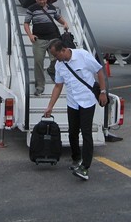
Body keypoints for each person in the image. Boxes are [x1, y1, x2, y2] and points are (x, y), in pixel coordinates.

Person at [44, 40, 107, 181]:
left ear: (63, 50)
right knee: (72, 133)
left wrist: (102, 91)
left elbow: (99, 71)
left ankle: (85, 168)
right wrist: (50, 106)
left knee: (86, 134)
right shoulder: (59, 66)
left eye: (56, 55)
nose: (55, 59)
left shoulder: (82, 56)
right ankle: (76, 158)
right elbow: (58, 86)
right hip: (72, 102)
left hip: (87, 100)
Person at [24, 0, 68, 96]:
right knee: (38, 61)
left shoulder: (52, 8)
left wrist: (65, 23)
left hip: (53, 38)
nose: (43, 1)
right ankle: (39, 86)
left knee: (57, 59)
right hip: (39, 39)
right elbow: (26, 23)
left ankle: (51, 70)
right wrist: (30, 35)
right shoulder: (31, 9)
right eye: (40, 0)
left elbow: (58, 17)